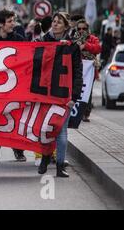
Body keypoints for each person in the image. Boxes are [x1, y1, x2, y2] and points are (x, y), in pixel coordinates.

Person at [37, 12, 83, 178]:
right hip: (44, 93)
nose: (55, 24)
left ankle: (59, 166)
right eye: (54, 21)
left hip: (64, 94)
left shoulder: (72, 46)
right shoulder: (41, 42)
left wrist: (74, 97)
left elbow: (78, 72)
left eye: (59, 22)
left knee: (61, 131)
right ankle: (45, 158)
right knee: (45, 129)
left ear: (66, 26)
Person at [0, 10, 27, 164]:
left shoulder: (20, 40)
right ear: (1, 24)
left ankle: (18, 148)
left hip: (15, 88)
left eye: (13, 20)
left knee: (15, 116)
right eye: (10, 21)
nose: (13, 24)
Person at [72, 19, 101, 122]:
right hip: (76, 69)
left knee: (87, 91)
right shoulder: (73, 39)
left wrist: (85, 46)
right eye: (79, 28)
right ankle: (75, 112)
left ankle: (86, 113)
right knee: (76, 90)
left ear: (87, 29)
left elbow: (97, 48)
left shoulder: (93, 38)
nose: (81, 30)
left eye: (83, 28)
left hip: (89, 70)